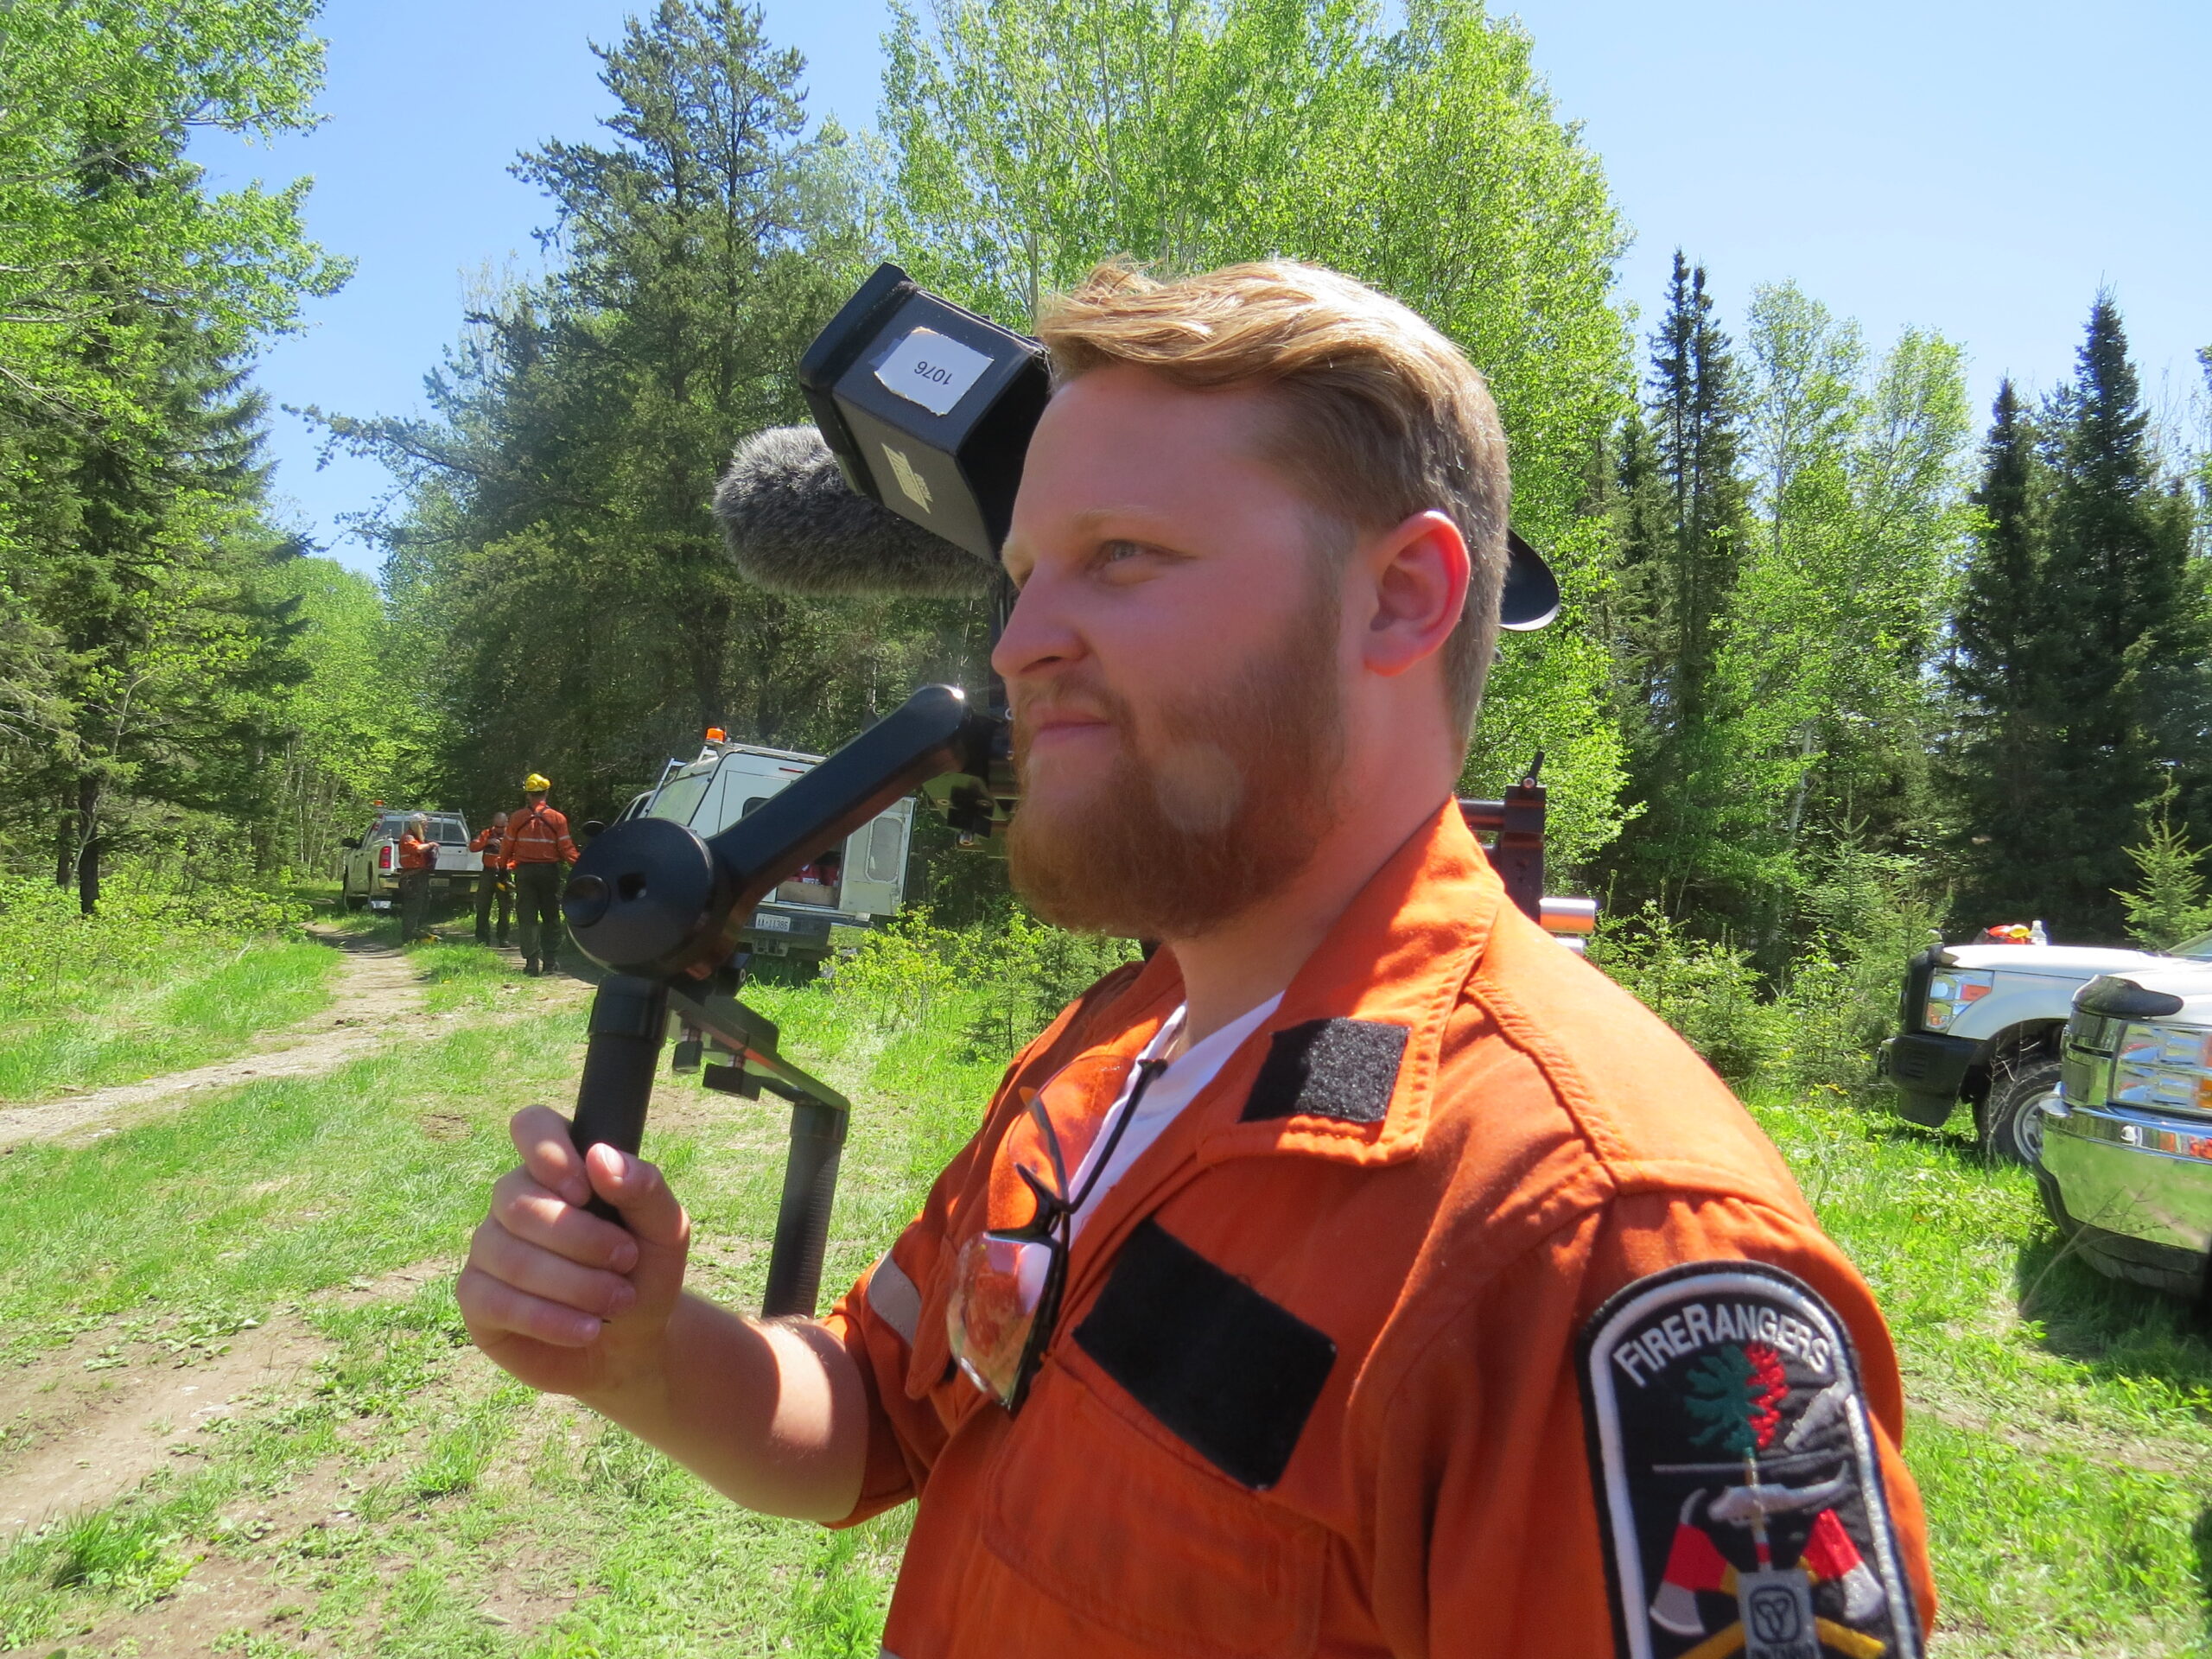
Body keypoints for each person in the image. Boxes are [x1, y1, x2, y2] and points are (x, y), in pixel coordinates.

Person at [459, 262, 1937, 1657]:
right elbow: (870, 1413)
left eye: (1122, 557)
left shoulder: (1606, 1244)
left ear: (1400, 598)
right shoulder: (1106, 1058)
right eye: (1027, 574)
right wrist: (640, 1352)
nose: (1025, 639)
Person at [506, 774, 578, 977]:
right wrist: (582, 865)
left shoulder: (517, 818)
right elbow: (567, 849)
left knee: (527, 917)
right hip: (549, 873)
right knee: (551, 916)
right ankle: (550, 962)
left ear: (528, 795)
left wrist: (502, 867)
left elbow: (507, 846)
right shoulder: (557, 818)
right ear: (546, 793)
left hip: (525, 873)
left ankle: (531, 964)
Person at [471, 810, 512, 947]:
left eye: (502, 827)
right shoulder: (486, 833)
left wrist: (509, 865)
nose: (499, 830)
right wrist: (487, 842)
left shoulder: (511, 834)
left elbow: (519, 853)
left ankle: (503, 938)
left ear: (507, 823)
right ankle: (482, 937)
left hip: (504, 873)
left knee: (505, 906)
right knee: (483, 906)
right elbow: (473, 847)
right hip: (488, 873)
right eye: (497, 827)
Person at [395, 815, 435, 944]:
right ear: (417, 824)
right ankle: (408, 938)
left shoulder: (419, 838)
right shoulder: (409, 837)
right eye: (424, 824)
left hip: (421, 876)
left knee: (423, 905)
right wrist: (431, 845)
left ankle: (419, 935)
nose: (426, 827)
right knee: (412, 908)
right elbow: (416, 849)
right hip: (412, 878)